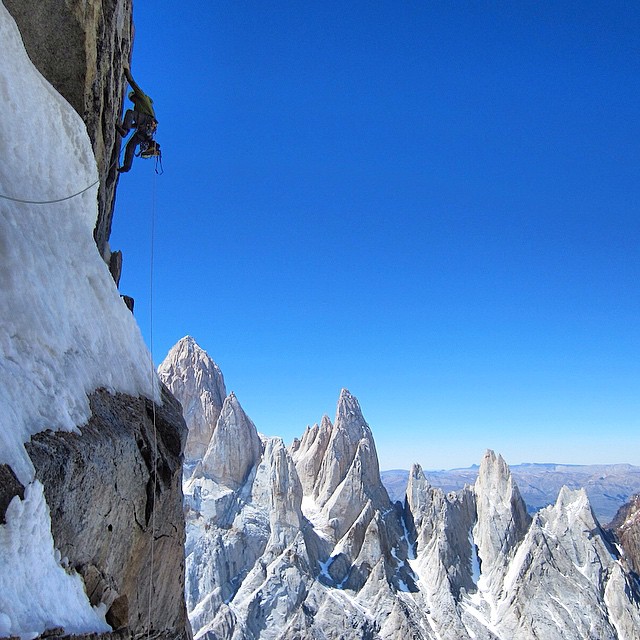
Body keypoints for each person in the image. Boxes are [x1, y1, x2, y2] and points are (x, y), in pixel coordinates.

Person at [116, 66, 160, 173]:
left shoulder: (142, 98)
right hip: (147, 130)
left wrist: (127, 74)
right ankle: (127, 166)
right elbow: (137, 124)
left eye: (132, 98)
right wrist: (126, 126)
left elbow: (134, 84)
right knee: (130, 145)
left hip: (147, 122)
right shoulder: (145, 107)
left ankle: (125, 132)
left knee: (130, 113)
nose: (132, 100)